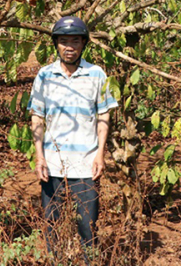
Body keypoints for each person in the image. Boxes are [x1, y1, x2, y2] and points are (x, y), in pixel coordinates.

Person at [27, 15, 118, 262]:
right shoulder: (44, 76)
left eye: (75, 41)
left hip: (86, 164)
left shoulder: (97, 74)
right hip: (53, 164)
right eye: (64, 41)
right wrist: (39, 157)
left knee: (87, 226)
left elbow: (103, 116)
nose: (70, 47)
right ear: (56, 44)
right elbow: (37, 117)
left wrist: (100, 154)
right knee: (52, 226)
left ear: (83, 44)